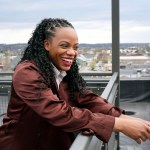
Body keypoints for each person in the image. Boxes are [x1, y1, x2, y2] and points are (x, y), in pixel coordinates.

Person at [0, 18, 150, 150]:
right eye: (65, 46)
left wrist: (122, 117)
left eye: (75, 47)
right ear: (46, 44)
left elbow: (86, 98)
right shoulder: (27, 72)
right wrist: (117, 124)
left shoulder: (61, 72)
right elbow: (59, 111)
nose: (72, 52)